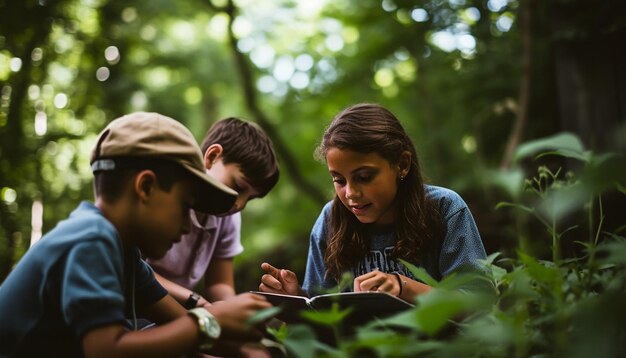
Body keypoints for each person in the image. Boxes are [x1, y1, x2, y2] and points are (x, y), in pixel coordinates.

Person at [0, 112, 272, 357]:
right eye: (185, 205)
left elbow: (178, 324)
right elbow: (107, 350)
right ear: (146, 187)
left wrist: (250, 349)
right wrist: (209, 321)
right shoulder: (90, 238)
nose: (188, 226)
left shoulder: (124, 252)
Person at [259, 103, 487, 304]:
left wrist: (403, 287)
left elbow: (479, 303)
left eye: (364, 177)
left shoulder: (445, 208)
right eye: (339, 180)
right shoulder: (330, 221)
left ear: (402, 164)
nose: (350, 193)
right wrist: (296, 297)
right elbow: (322, 311)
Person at [147, 117, 279, 308]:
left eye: (250, 199)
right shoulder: (164, 197)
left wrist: (235, 309)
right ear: (212, 157)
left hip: (183, 308)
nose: (240, 204)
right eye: (238, 186)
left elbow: (220, 283)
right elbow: (132, 269)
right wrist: (197, 302)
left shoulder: (228, 217)